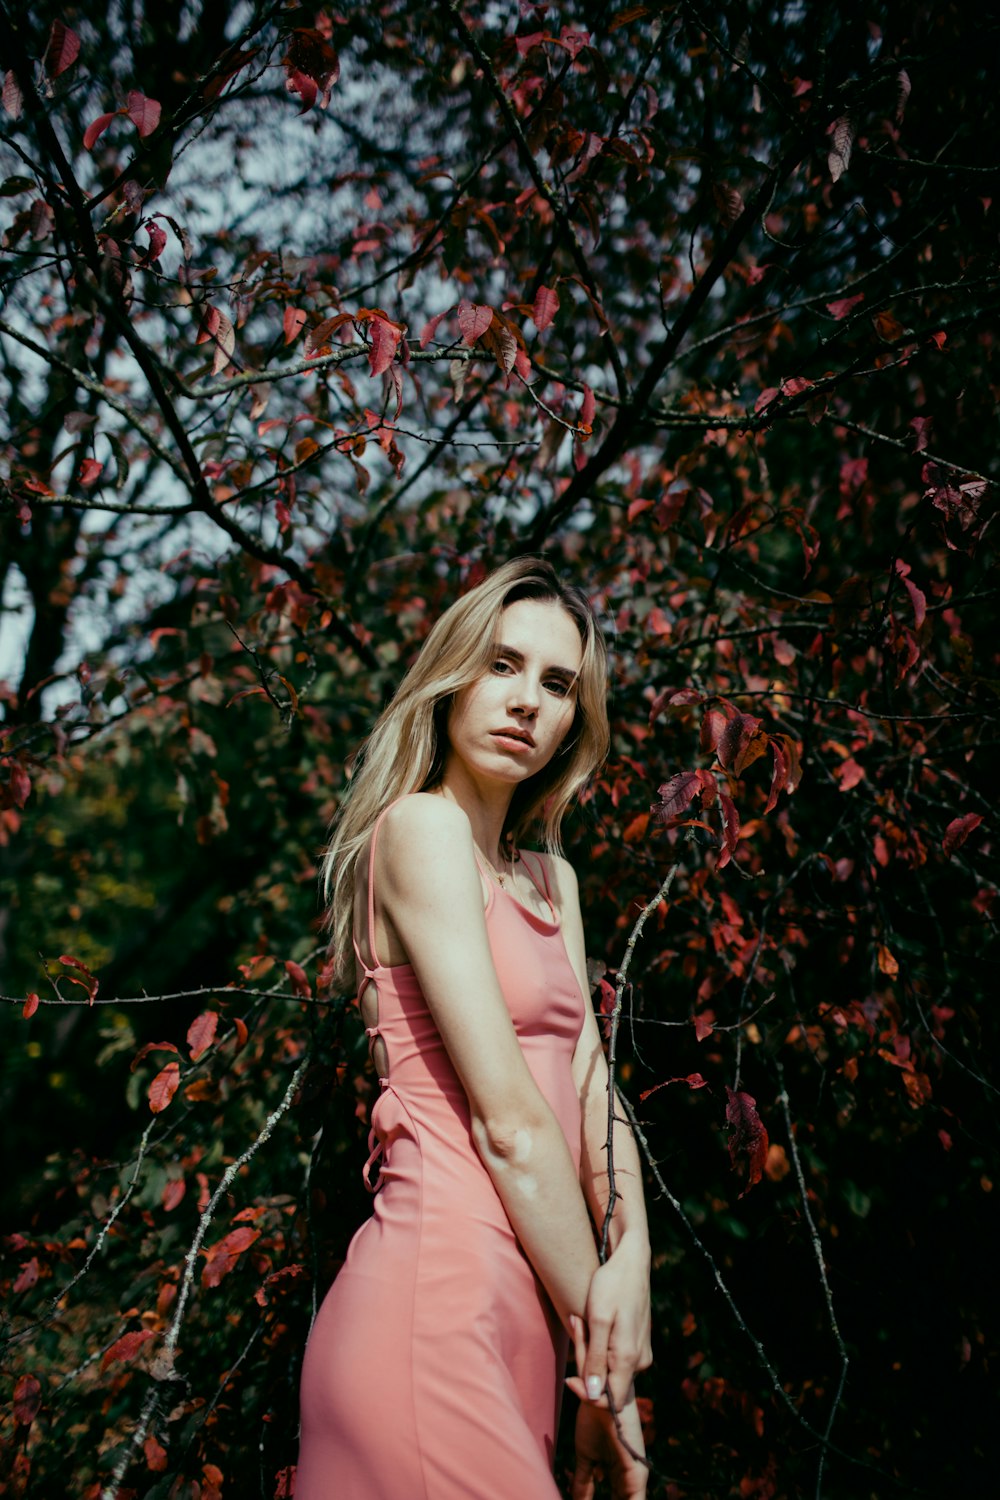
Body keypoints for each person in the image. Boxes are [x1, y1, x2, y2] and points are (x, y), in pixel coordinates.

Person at [296, 557, 652, 1499]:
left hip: (526, 1318)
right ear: (453, 676)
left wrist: (634, 1257)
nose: (526, 701)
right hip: (434, 1305)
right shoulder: (418, 832)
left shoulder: (552, 881)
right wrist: (610, 1357)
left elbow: (587, 1085)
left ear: (576, 717)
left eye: (557, 683)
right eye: (502, 665)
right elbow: (511, 1124)